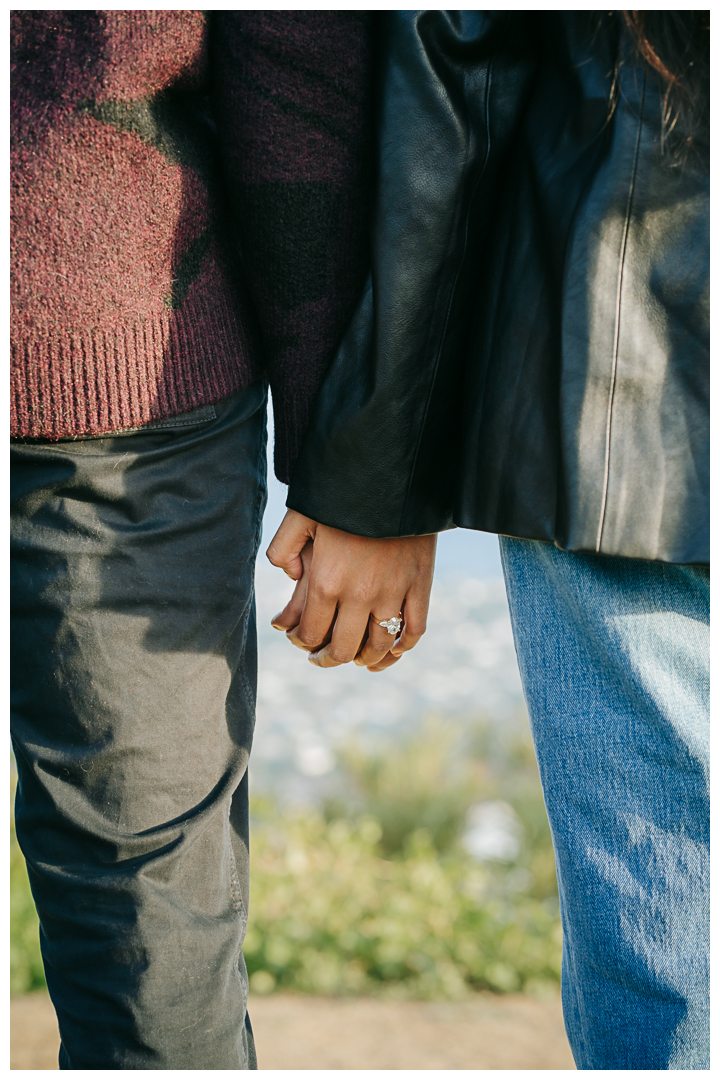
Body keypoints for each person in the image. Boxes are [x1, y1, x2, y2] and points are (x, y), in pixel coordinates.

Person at [268, 11, 709, 1070]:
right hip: (632, 393)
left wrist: (379, 483)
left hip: (631, 381)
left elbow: (456, 72)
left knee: (679, 952)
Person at [10, 10, 375, 1069]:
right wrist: (343, 457)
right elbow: (299, 90)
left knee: (148, 927)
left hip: (113, 374)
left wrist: (342, 458)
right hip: (112, 349)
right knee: (145, 908)